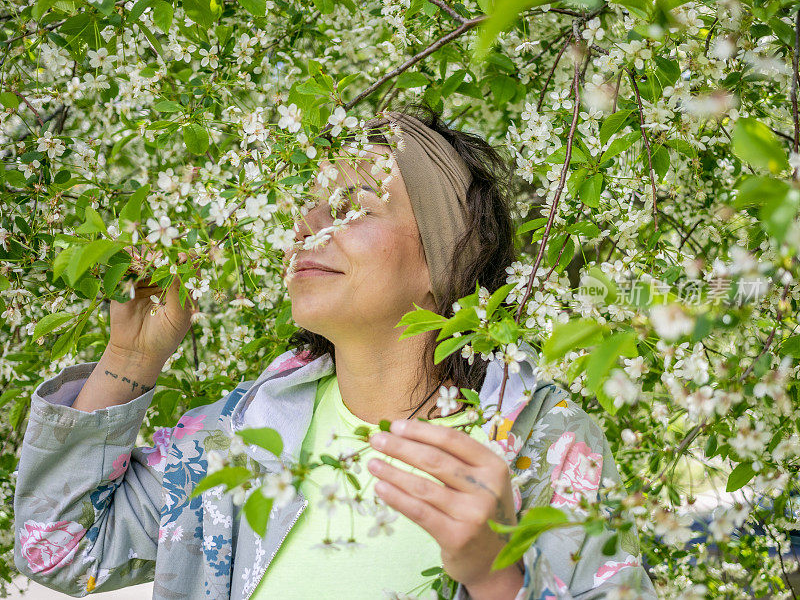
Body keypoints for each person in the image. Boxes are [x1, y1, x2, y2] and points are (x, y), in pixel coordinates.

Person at [13, 103, 657, 599]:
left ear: (446, 257)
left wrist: (495, 579)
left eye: (352, 207)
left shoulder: (542, 443)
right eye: (307, 206)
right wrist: (130, 356)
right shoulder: (240, 437)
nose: (307, 227)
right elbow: (59, 548)